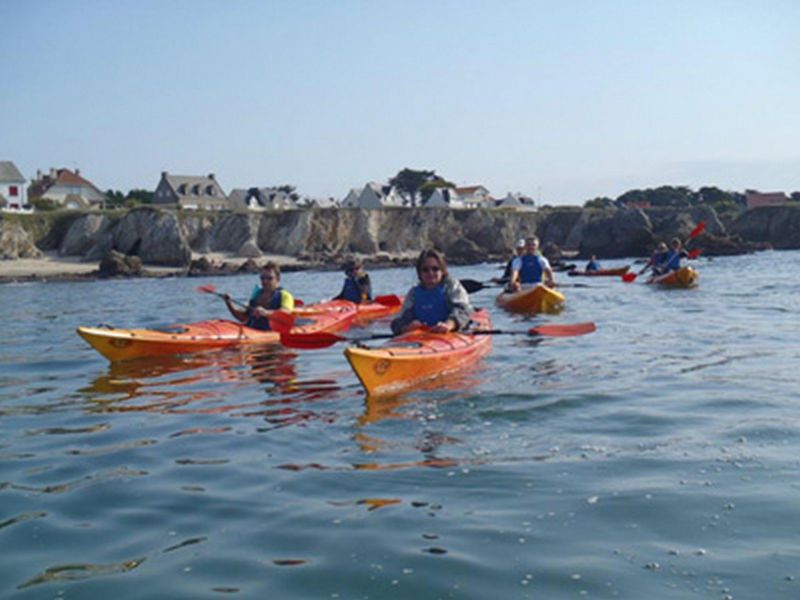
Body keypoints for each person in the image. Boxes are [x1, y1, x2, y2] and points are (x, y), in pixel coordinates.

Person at [391, 249, 473, 335]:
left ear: (442, 271)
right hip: (422, 336)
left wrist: (449, 325)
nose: (430, 273)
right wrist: (406, 328)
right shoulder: (413, 293)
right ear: (419, 273)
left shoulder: (452, 287)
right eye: (425, 270)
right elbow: (398, 321)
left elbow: (463, 311)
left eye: (435, 269)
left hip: (450, 333)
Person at [225, 262, 294, 330]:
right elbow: (244, 318)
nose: (265, 281)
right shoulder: (257, 294)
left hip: (269, 333)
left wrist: (266, 313)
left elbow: (285, 314)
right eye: (262, 278)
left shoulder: (285, 295)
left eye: (269, 278)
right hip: (251, 331)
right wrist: (229, 304)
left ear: (278, 279)